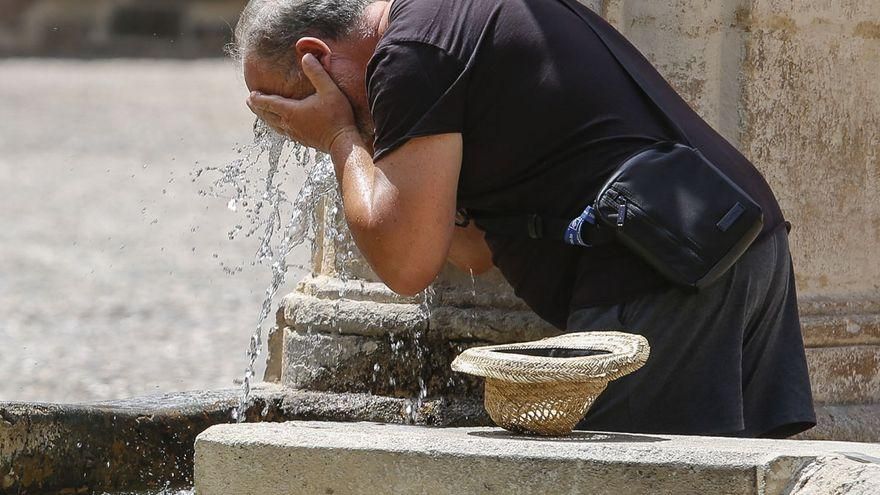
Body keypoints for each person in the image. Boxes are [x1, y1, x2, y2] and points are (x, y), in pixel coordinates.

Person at [233, 0, 816, 437]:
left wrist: (338, 136)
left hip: (662, 269)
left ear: (314, 60)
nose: (291, 129)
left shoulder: (409, 56)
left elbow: (406, 263)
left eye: (289, 108)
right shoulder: (443, 22)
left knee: (641, 482)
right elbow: (469, 251)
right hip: (734, 239)